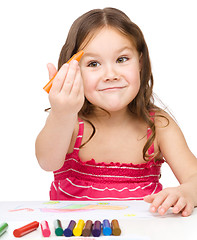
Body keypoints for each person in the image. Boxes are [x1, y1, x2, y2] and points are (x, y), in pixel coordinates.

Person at [35, 7, 197, 217]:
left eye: (121, 59)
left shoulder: (157, 125)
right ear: (74, 71)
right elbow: (47, 162)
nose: (110, 75)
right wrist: (61, 113)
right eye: (93, 63)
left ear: (139, 62)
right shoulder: (70, 123)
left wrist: (187, 191)